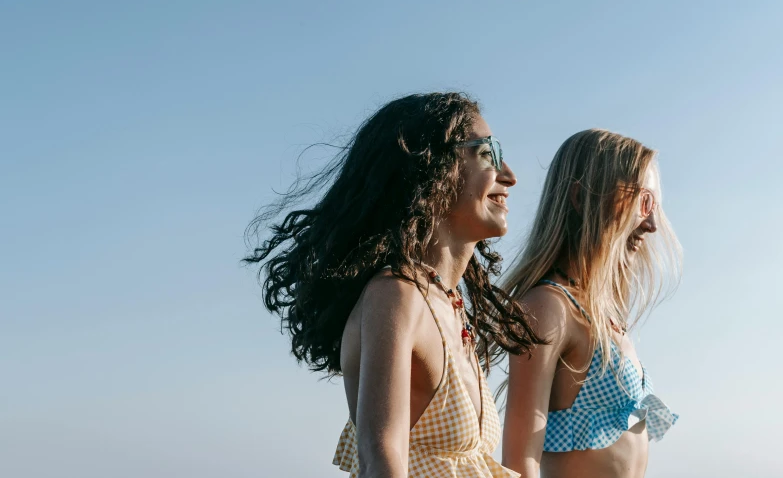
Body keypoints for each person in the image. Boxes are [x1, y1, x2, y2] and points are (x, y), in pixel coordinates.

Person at [244, 92, 542, 477]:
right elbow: (379, 458)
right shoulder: (396, 295)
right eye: (489, 153)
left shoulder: (448, 304)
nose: (510, 175)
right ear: (434, 168)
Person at [500, 129, 682, 478]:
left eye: (654, 205)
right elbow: (519, 461)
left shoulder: (604, 314)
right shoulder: (549, 307)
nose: (652, 224)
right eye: (643, 202)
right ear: (581, 197)